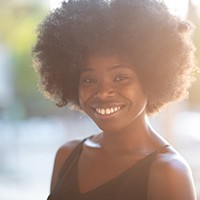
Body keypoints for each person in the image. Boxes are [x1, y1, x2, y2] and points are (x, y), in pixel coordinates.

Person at [32, 0, 197, 199]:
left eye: (120, 77)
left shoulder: (168, 173)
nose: (102, 93)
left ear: (152, 78)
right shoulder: (67, 155)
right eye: (89, 79)